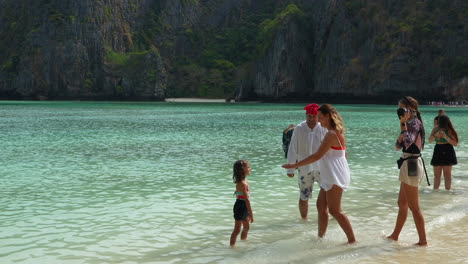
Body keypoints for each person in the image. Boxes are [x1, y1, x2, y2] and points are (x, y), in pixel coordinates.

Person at [282, 104, 356, 244]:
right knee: (321, 206)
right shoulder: (334, 131)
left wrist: (294, 165)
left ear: (328, 117)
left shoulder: (331, 134)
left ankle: (352, 241)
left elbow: (317, 156)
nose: (318, 121)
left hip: (334, 175)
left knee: (335, 211)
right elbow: (343, 154)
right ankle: (320, 237)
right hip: (331, 173)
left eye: (320, 118)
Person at [387, 96, 427, 246]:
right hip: (407, 162)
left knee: (414, 206)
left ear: (412, 109)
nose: (400, 112)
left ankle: (423, 241)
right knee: (402, 202)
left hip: (411, 163)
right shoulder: (409, 123)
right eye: (399, 109)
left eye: (402, 109)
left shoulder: (415, 123)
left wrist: (403, 123)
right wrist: (403, 125)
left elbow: (408, 143)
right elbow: (398, 146)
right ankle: (395, 235)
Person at [286, 103, 327, 220]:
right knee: (304, 197)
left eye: (314, 116)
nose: (312, 119)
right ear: (306, 116)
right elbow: (293, 148)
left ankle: (326, 218)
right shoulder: (299, 128)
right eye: (309, 116)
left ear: (318, 117)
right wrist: (290, 167)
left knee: (328, 194)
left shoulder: (323, 128)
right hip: (304, 168)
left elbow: (328, 149)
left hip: (322, 167)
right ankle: (304, 221)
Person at [429, 114, 458, 190]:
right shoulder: (436, 128)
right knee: (437, 175)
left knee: (447, 175)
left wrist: (446, 137)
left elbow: (455, 143)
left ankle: (447, 192)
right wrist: (436, 135)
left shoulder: (450, 130)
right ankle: (435, 192)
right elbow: (430, 140)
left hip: (448, 149)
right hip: (438, 148)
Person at [230, 160, 254, 247]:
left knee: (246, 227)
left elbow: (238, 191)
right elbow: (247, 200)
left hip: (242, 205)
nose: (250, 168)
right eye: (248, 167)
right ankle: (231, 247)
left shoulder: (244, 181)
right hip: (241, 206)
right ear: (242, 170)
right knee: (237, 229)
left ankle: (243, 242)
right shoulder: (243, 183)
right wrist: (251, 214)